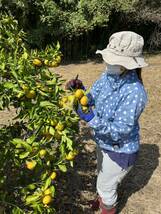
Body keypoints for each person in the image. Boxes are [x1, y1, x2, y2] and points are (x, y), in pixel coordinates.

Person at [68, 31, 148, 214]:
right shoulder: (107, 77)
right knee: (102, 175)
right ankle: (103, 197)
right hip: (103, 142)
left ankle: (107, 206)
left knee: (107, 186)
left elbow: (121, 130)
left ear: (128, 64)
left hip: (120, 149)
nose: (108, 63)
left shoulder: (134, 92)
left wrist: (92, 119)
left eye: (113, 60)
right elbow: (93, 96)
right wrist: (80, 92)